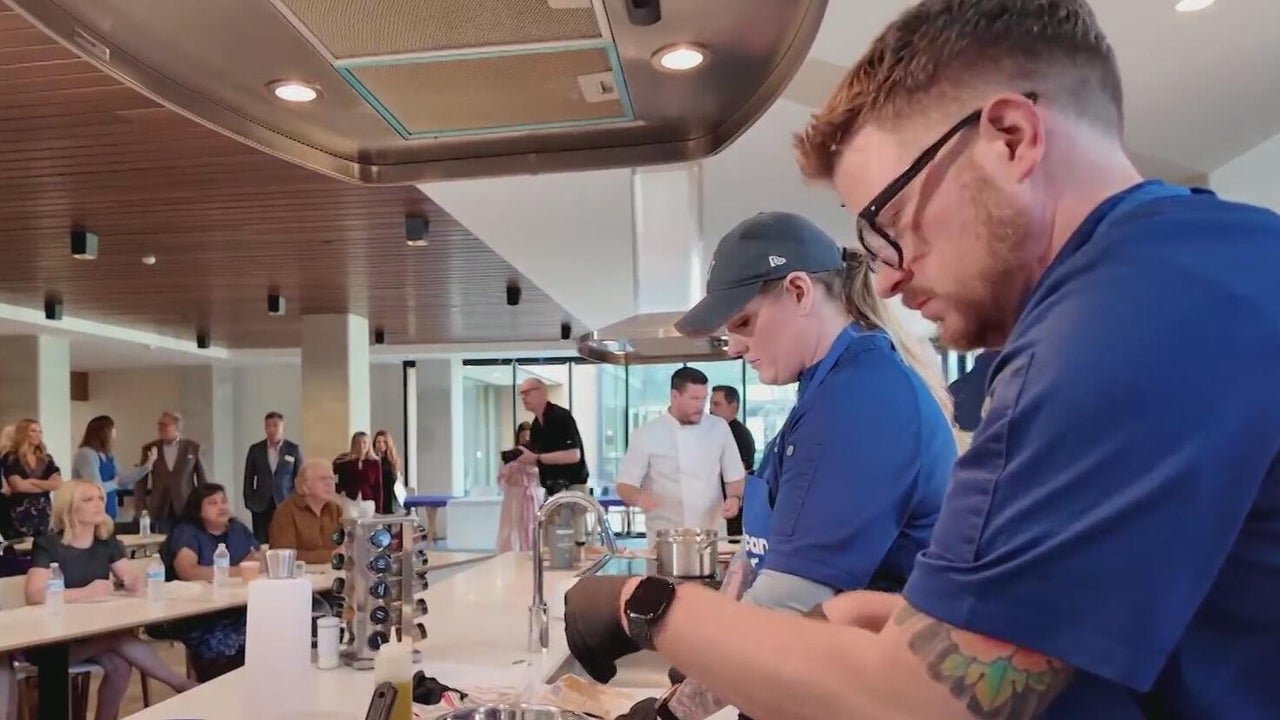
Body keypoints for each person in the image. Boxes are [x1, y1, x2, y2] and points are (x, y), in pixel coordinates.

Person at [562, 1, 1280, 719]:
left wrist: (644, 606)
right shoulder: (1210, 263)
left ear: (1010, 140)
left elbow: (926, 703)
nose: (887, 280)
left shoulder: (1118, 327)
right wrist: (889, 623)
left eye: (895, 223)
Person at [619, 212, 957, 719]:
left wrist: (674, 712)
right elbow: (756, 562)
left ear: (799, 292)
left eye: (743, 323)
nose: (734, 346)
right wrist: (702, 662)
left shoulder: (862, 401)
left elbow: (790, 604)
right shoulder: (822, 396)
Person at [25, 480, 198, 719]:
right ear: (69, 507)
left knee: (119, 665)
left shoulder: (107, 542)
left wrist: (134, 582)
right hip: (54, 641)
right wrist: (85, 592)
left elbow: (130, 576)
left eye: (100, 499)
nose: (98, 504)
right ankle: (180, 684)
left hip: (93, 633)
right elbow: (35, 594)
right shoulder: (48, 545)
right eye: (88, 500)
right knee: (117, 639)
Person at [616, 368, 744, 544]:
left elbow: (734, 475)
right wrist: (638, 498)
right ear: (675, 396)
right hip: (665, 540)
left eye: (703, 398)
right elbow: (625, 484)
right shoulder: (646, 434)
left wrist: (734, 498)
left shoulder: (719, 427)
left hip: (712, 537)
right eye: (694, 399)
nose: (700, 405)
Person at [165, 483, 260, 681]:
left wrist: (242, 568)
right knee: (222, 644)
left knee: (266, 631)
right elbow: (188, 571)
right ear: (197, 509)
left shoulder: (238, 529)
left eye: (223, 501)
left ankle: (249, 685)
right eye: (212, 503)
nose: (221, 506)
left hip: (235, 607)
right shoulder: (187, 532)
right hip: (195, 612)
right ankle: (218, 688)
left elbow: (258, 559)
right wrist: (237, 571)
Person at [517, 377, 589, 537]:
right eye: (521, 394)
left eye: (527, 393)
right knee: (549, 539)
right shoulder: (536, 425)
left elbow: (573, 455)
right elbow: (541, 458)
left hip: (571, 487)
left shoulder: (561, 417)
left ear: (542, 393)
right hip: (552, 489)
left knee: (572, 540)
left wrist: (536, 458)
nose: (523, 398)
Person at [72, 415, 157, 520]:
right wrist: (114, 483)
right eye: (113, 428)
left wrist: (146, 467)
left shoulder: (109, 455)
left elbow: (122, 479)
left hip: (109, 511)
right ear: (104, 432)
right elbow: (95, 488)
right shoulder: (86, 454)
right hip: (90, 513)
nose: (115, 432)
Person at [138, 411, 207, 533]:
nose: (160, 428)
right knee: (163, 540)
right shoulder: (150, 448)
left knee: (187, 538)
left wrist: (203, 505)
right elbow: (141, 480)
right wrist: (141, 507)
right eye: (159, 424)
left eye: (164, 425)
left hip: (186, 505)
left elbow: (202, 479)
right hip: (160, 507)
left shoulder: (192, 447)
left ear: (177, 427)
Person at [242, 411, 302, 543]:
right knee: (261, 541)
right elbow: (248, 478)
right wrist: (249, 501)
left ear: (282, 427)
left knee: (284, 539)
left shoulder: (292, 449)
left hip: (285, 502)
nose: (272, 429)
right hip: (260, 505)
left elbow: (300, 478)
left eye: (275, 426)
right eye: (268, 426)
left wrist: (296, 501)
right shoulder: (255, 449)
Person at [269, 459, 344, 564]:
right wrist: (329, 556)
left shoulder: (335, 509)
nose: (329, 483)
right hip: (300, 573)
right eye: (323, 479)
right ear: (305, 486)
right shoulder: (285, 512)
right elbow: (283, 554)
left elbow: (346, 544)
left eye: (332, 479)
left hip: (332, 570)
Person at [2, 419, 63, 538]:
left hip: (44, 513)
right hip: (19, 514)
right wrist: (45, 485)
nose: (37, 435)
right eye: (33, 431)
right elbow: (18, 486)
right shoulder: (11, 457)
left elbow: (57, 484)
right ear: (23, 433)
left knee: (44, 545)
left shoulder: (46, 458)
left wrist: (32, 481)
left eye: (40, 431)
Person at [708, 385, 755, 538]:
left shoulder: (740, 435)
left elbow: (739, 472)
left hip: (731, 510)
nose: (711, 409)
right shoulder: (713, 433)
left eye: (717, 404)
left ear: (733, 406)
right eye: (710, 403)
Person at [496, 422, 540, 552]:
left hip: (532, 494)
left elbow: (541, 477)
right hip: (514, 495)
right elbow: (501, 478)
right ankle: (510, 551)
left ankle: (531, 548)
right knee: (512, 524)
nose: (525, 439)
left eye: (528, 436)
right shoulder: (511, 455)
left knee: (531, 523)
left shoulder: (536, 455)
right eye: (522, 436)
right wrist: (509, 479)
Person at [333, 432, 385, 514]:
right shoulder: (343, 461)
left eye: (364, 443)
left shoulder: (374, 463)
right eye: (358, 443)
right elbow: (330, 477)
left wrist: (379, 508)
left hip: (368, 503)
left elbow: (378, 486)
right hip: (349, 501)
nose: (361, 446)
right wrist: (339, 491)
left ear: (369, 444)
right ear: (353, 444)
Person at [372, 430, 402, 514]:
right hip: (376, 495)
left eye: (384, 442)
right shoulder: (372, 460)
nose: (381, 445)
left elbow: (397, 478)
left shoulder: (393, 460)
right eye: (378, 442)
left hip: (390, 494)